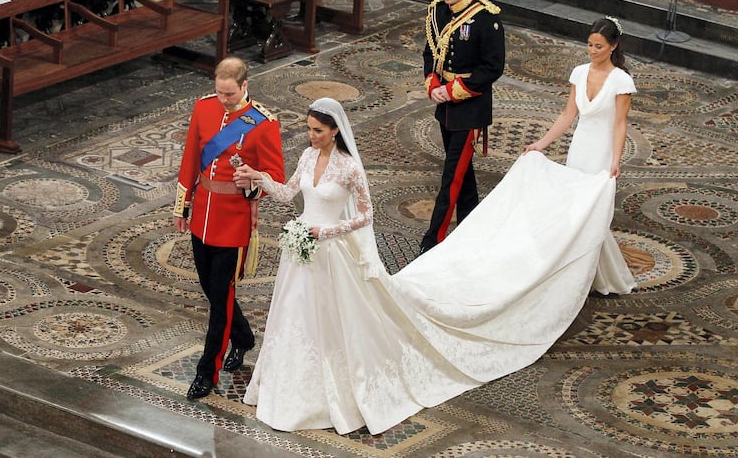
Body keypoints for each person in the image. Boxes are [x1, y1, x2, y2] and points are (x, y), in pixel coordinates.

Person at [234, 98, 618, 435]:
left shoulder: (349, 168)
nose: (310, 135)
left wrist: (328, 230)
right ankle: (287, 390)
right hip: (301, 254)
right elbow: (288, 194)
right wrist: (260, 178)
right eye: (308, 129)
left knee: (333, 321)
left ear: (335, 131)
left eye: (317, 130)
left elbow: (365, 217)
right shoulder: (305, 157)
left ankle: (331, 392)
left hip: (331, 253)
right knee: (293, 319)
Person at [173, 56, 285, 400]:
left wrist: (252, 181)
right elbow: (192, 156)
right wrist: (183, 205)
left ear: (244, 86)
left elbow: (275, 178)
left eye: (230, 94)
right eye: (219, 92)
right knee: (210, 288)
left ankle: (207, 371)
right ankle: (244, 336)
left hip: (234, 221)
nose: (224, 100)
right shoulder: (203, 108)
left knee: (220, 299)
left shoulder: (263, 124)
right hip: (204, 212)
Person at [526, 16, 636, 295]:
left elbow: (620, 123)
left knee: (591, 212)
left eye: (599, 46)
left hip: (602, 151)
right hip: (580, 147)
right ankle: (576, 274)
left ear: (613, 46)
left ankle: (586, 277)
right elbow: (568, 114)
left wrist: (616, 159)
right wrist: (542, 143)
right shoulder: (578, 72)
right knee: (574, 210)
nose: (593, 51)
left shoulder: (621, 81)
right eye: (589, 45)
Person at [420, 0, 506, 254]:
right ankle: (472, 231)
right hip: (445, 106)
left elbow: (493, 67)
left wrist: (454, 91)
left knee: (451, 177)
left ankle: (433, 244)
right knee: (463, 176)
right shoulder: (439, 11)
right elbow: (430, 52)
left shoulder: (486, 18)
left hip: (470, 107)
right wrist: (432, 85)